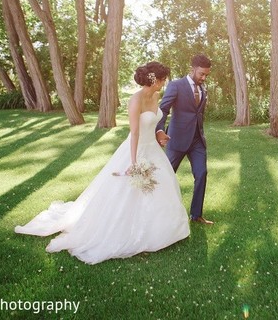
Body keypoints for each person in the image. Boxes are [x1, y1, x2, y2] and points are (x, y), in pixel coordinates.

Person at [15, 62, 190, 264]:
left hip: (153, 149)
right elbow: (134, 133)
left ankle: (164, 230)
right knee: (130, 192)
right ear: (154, 79)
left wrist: (159, 132)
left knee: (161, 187)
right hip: (137, 149)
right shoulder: (136, 100)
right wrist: (134, 163)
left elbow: (153, 122)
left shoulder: (156, 96)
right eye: (162, 79)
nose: (164, 83)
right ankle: (131, 231)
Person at [156, 54, 213, 225]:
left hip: (197, 141)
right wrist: (159, 129)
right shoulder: (176, 85)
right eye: (201, 74)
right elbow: (163, 109)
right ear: (192, 69)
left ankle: (196, 215)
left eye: (206, 75)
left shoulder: (203, 89)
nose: (204, 78)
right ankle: (157, 212)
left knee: (201, 173)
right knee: (166, 176)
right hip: (177, 139)